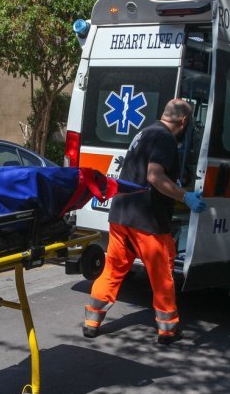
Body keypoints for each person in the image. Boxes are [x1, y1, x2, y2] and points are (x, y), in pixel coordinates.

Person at [82, 98, 207, 344]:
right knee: (161, 274)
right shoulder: (166, 139)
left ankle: (91, 321)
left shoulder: (145, 132)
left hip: (121, 214)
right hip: (146, 219)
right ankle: (168, 330)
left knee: (114, 269)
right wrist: (184, 196)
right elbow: (154, 175)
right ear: (184, 121)